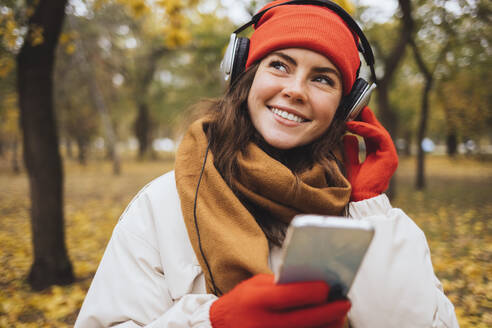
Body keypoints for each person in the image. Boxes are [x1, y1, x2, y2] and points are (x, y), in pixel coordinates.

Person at [74, 1, 459, 327]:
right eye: (280, 65)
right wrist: (213, 321)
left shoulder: (362, 213)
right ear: (244, 74)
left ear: (348, 106)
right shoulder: (161, 203)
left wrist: (370, 208)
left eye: (322, 79)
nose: (295, 90)